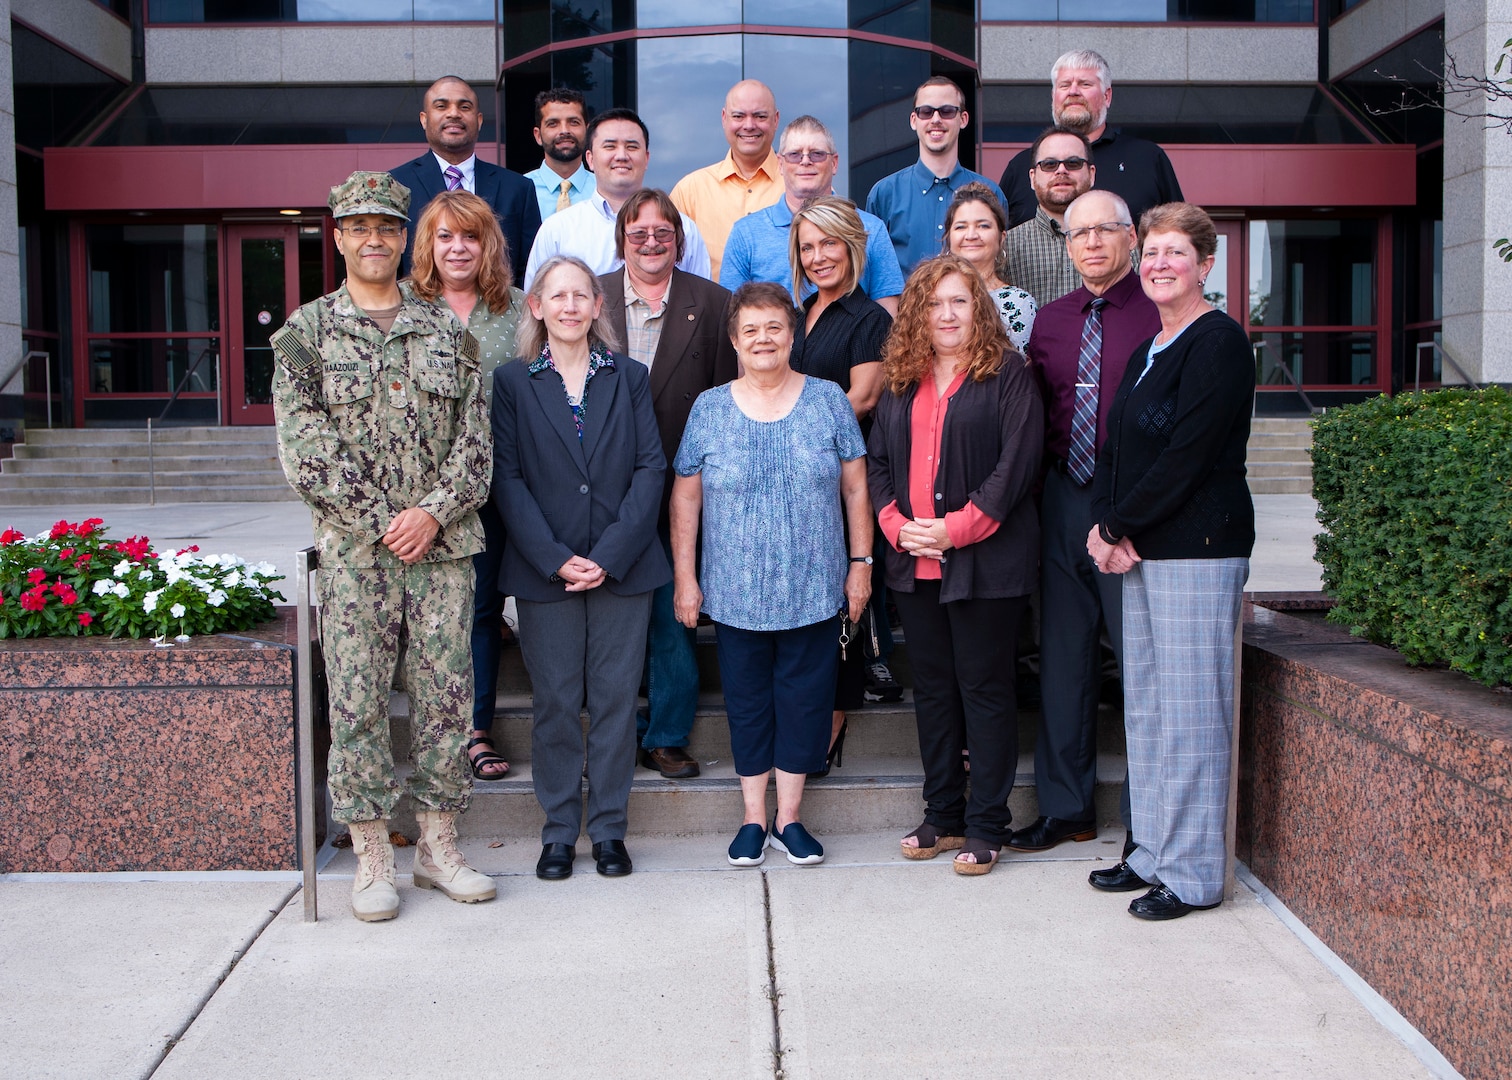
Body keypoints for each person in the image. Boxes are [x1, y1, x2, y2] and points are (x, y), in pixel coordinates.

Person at [272, 170, 495, 921]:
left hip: (441, 554)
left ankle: (437, 848)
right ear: (337, 236)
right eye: (359, 227)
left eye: (388, 228)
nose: (374, 240)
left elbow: (476, 443)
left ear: (406, 239)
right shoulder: (305, 334)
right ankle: (371, 855)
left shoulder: (444, 331)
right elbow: (306, 451)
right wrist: (386, 519)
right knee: (358, 704)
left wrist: (430, 514)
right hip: (357, 559)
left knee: (444, 702)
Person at [1085, 202, 1254, 920]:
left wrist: (1119, 522)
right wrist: (1107, 525)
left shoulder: (1217, 342)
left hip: (1198, 549)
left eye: (1175, 253)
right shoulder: (1150, 346)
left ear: (1206, 264)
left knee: (1192, 717)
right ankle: (1151, 852)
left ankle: (1192, 876)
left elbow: (1189, 455)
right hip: (1146, 548)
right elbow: (1116, 447)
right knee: (1151, 711)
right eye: (1150, 252)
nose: (1158, 264)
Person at [670, 281, 872, 869]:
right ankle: (753, 820)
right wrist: (687, 577)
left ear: (793, 335)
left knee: (807, 700)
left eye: (775, 328)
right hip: (735, 593)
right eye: (750, 329)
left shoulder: (828, 399)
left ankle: (790, 819)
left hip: (815, 585)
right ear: (734, 340)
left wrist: (860, 566)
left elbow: (856, 487)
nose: (763, 339)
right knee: (749, 703)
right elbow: (685, 501)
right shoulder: (708, 408)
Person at [492, 255, 670, 882]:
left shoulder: (629, 377)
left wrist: (610, 554)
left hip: (624, 568)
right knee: (558, 703)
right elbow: (507, 479)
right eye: (556, 296)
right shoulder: (513, 382)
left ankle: (611, 831)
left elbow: (651, 469)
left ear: (599, 307)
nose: (569, 306)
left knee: (619, 702)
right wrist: (554, 558)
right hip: (545, 573)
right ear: (536, 307)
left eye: (581, 295)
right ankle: (561, 831)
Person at [867, 254, 1043, 877]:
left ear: (979, 310)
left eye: (960, 302)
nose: (947, 314)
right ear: (918, 311)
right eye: (935, 303)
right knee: (935, 693)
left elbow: (1015, 469)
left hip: (986, 564)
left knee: (985, 691)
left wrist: (952, 529)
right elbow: (879, 465)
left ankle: (986, 823)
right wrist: (898, 528)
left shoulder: (1009, 374)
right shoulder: (900, 377)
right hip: (914, 564)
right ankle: (941, 813)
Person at [1011, 189, 1158, 855]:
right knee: (1064, 662)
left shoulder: (1163, 313)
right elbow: (1036, 415)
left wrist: (1135, 511)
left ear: (1132, 238)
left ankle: (1147, 820)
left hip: (1134, 507)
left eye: (1107, 230)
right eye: (1080, 234)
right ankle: (1066, 808)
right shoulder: (1050, 321)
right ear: (1066, 247)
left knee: (1139, 668)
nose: (1093, 243)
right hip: (1062, 499)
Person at [599, 188, 739, 779]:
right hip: (604, 484)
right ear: (622, 239)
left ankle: (665, 734)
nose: (651, 242)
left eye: (663, 232)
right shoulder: (593, 296)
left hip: (685, 480)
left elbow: (726, 399)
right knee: (611, 618)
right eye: (639, 233)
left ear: (679, 240)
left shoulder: (711, 301)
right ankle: (613, 733)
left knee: (672, 612)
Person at [407, 189, 528, 784]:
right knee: (430, 615)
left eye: (471, 236)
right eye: (446, 236)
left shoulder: (521, 312)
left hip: (502, 490)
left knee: (482, 610)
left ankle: (475, 731)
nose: (458, 248)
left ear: (489, 245)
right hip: (423, 497)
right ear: (428, 244)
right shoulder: (402, 308)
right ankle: (431, 731)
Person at [787, 195, 897, 753]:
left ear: (852, 245)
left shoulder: (869, 317)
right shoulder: (798, 310)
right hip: (795, 478)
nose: (817, 256)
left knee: (843, 596)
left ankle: (835, 714)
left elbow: (863, 398)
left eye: (828, 243)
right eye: (807, 246)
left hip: (842, 475)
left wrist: (788, 424)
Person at [720, 116, 904, 315]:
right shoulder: (746, 234)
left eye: (816, 154)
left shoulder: (870, 229)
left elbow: (889, 319)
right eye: (795, 154)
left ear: (834, 163)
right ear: (780, 164)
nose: (805, 161)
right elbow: (732, 319)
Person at [523, 108, 710, 288]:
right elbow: (535, 305)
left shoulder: (683, 229)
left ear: (646, 158)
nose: (621, 156)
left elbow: (702, 302)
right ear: (590, 158)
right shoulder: (557, 230)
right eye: (610, 146)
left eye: (631, 147)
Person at [998, 49, 1183, 229]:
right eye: (1064, 85)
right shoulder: (1022, 166)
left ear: (1107, 96)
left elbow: (1181, 235)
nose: (1073, 92)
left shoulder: (1147, 159)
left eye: (1085, 84)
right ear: (1053, 97)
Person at [389, 75, 540, 282]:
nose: (453, 114)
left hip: (500, 310)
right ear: (424, 119)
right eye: (441, 106)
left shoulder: (518, 189)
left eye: (464, 107)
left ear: (479, 121)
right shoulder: (395, 185)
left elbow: (531, 272)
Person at [865, 76, 1008, 277]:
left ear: (963, 119)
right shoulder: (885, 193)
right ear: (914, 121)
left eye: (947, 111)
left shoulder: (991, 193)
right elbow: (871, 272)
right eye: (926, 112)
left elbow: (1000, 266)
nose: (936, 119)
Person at [670, 79, 783, 280]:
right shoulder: (690, 191)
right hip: (711, 311)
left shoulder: (800, 186)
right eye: (739, 116)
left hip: (789, 311)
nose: (749, 125)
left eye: (760, 116)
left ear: (776, 120)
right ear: (724, 118)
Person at [1001, 126, 1093, 310]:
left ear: (1092, 174)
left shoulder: (1120, 242)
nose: (1061, 170)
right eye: (1049, 164)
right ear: (1032, 178)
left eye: (1073, 163)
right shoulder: (1004, 249)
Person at [943, 181, 1037, 352]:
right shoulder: (927, 297)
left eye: (983, 226)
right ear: (948, 237)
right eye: (961, 227)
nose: (971, 235)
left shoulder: (1018, 304)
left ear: (1001, 237)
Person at [524, 88, 594, 221]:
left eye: (574, 122)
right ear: (538, 136)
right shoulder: (519, 191)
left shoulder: (604, 191)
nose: (564, 131)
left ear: (587, 131)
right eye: (553, 124)